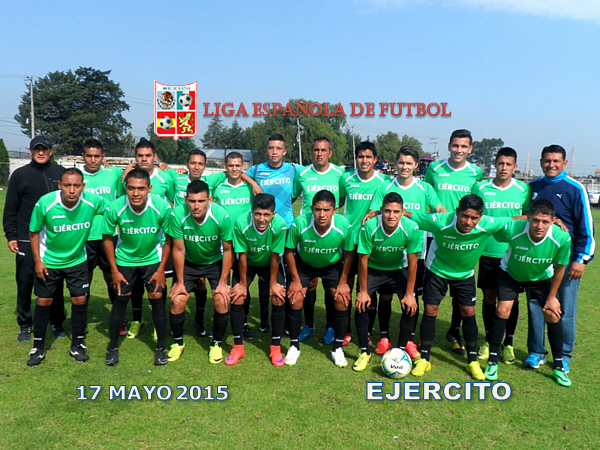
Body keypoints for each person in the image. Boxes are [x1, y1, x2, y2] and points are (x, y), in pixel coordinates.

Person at [407, 194, 511, 380]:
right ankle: (425, 358)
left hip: (464, 274)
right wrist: (380, 212)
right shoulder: (440, 221)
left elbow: (515, 219)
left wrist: (553, 221)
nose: (468, 222)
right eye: (465, 216)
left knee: (468, 312)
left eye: (474, 218)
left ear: (481, 217)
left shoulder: (487, 224)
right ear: (457, 212)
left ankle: (472, 361)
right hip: (437, 270)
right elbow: (411, 215)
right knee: (431, 310)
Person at [366, 145, 446, 354]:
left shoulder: (424, 188)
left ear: (416, 166)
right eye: (401, 162)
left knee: (411, 297)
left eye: (409, 163)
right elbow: (374, 212)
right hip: (388, 251)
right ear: (396, 163)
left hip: (415, 252)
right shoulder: (385, 186)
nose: (404, 166)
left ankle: (408, 339)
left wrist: (444, 218)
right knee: (385, 296)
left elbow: (439, 209)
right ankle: (384, 337)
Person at [484, 200, 572, 386]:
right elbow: (495, 225)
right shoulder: (514, 229)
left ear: (553, 221)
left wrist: (552, 297)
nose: (540, 226)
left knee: (552, 313)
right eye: (536, 220)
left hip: (541, 277)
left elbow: (560, 268)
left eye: (545, 222)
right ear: (528, 218)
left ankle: (558, 366)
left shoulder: (562, 237)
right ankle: (492, 361)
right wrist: (519, 218)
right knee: (503, 310)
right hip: (510, 273)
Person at [27, 168, 108, 365]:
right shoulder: (45, 203)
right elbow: (33, 232)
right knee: (44, 301)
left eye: (76, 186)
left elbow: (115, 210)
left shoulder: (92, 201)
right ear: (60, 186)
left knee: (80, 300)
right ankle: (38, 347)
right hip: (49, 261)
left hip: (77, 260)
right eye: (67, 185)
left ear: (83, 187)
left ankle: (77, 344)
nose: (72, 190)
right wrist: (38, 261)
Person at [526, 145, 595, 373]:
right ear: (541, 162)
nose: (551, 165)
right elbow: (526, 219)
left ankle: (563, 355)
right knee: (535, 306)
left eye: (556, 161)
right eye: (547, 160)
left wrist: (581, 259)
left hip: (567, 261)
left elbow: (586, 227)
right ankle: (536, 352)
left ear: (564, 163)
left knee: (564, 308)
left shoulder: (575, 188)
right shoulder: (533, 187)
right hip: (537, 259)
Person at [102, 168, 173, 366]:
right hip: (125, 260)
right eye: (131, 188)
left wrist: (161, 269)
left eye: (141, 188)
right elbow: (107, 238)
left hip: (152, 259)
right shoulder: (115, 207)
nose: (135, 193)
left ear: (149, 188)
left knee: (157, 299)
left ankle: (161, 347)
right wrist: (114, 270)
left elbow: (169, 238)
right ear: (125, 188)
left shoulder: (161, 207)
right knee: (120, 300)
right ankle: (112, 347)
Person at [424, 129, 482, 355]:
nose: (459, 150)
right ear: (449, 146)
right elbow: (428, 194)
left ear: (470, 149)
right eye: (455, 145)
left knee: (461, 287)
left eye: (463, 146)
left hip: (463, 236)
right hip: (438, 234)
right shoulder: (434, 168)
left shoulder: (475, 172)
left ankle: (455, 332)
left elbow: (476, 203)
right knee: (432, 287)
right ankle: (423, 338)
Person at [3, 136, 66, 342]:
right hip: (26, 237)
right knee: (25, 281)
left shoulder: (60, 173)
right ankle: (24, 323)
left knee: (55, 281)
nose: (41, 152)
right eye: (36, 149)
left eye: (44, 149)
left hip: (55, 238)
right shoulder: (20, 175)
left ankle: (57, 321)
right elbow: (10, 208)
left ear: (50, 151)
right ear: (30, 151)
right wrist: (11, 235)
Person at [472, 147, 530, 366]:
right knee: (489, 297)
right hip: (487, 250)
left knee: (511, 300)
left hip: (513, 252)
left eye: (508, 164)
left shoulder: (523, 189)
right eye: (501, 163)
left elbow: (529, 216)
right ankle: (488, 341)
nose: (504, 168)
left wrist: (506, 219)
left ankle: (509, 343)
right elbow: (475, 215)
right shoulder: (481, 188)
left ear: (515, 167)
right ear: (495, 165)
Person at [284, 190, 354, 367]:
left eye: (326, 210)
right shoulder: (300, 223)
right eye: (318, 209)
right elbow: (289, 251)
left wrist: (343, 282)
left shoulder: (343, 225)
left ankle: (337, 348)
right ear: (312, 209)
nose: (322, 214)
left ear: (335, 210)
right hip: (305, 264)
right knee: (295, 298)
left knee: (342, 300)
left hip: (332, 265)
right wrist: (295, 280)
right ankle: (294, 346)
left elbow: (349, 253)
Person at [168, 180, 234, 364]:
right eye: (192, 201)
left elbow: (228, 250)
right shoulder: (177, 214)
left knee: (222, 299)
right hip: (189, 262)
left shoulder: (221, 215)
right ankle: (178, 343)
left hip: (214, 262)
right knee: (178, 299)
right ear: (185, 200)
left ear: (209, 200)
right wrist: (179, 282)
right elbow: (178, 249)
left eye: (201, 201)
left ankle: (216, 344)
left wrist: (223, 282)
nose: (196, 206)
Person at [354, 192, 421, 371]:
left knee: (411, 304)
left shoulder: (412, 228)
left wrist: (409, 294)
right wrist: (363, 291)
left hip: (399, 269)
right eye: (388, 211)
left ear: (403, 212)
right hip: (374, 268)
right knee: (361, 303)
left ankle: (401, 350)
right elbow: (362, 260)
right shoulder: (369, 226)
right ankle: (364, 352)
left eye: (396, 212)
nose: (392, 216)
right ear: (381, 210)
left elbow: (413, 262)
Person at [292, 136, 345, 344]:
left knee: (332, 287)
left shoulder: (340, 174)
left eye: (323, 150)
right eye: (316, 150)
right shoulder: (302, 174)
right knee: (311, 283)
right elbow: (292, 197)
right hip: (308, 234)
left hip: (331, 234)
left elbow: (342, 198)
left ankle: (330, 326)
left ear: (330, 153)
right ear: (311, 152)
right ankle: (309, 324)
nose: (319, 153)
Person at [338, 141, 389, 347]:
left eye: (368, 157)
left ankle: (366, 331)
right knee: (346, 287)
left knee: (368, 289)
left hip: (372, 241)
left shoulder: (384, 181)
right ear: (356, 158)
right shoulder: (346, 179)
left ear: (375, 159)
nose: (364, 160)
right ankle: (346, 330)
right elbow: (339, 202)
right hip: (350, 241)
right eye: (361, 156)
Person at [125, 138, 175, 340]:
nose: (144, 159)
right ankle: (136, 319)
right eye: (140, 155)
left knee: (159, 283)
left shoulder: (166, 177)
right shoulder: (129, 178)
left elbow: (174, 201)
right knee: (136, 284)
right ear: (135, 157)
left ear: (155, 157)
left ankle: (158, 322)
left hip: (160, 243)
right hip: (135, 241)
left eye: (148, 155)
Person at [231, 194, 288, 366]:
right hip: (247, 262)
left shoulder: (280, 225)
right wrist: (242, 284)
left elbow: (275, 255)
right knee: (237, 296)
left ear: (273, 214)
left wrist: (273, 283)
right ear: (252, 212)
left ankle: (275, 347)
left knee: (278, 297)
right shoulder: (241, 223)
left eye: (266, 215)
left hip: (269, 263)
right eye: (257, 214)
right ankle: (238, 347)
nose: (261, 219)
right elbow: (242, 254)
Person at [80, 139, 126, 333]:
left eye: (97, 156)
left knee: (112, 278)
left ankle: (119, 320)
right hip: (84, 237)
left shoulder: (113, 174)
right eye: (89, 156)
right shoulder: (76, 176)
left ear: (103, 157)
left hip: (108, 235)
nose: (93, 160)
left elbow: (132, 175)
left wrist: (162, 166)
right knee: (84, 281)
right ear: (83, 156)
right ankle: (81, 321)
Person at [213, 151, 255, 338]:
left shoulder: (250, 188)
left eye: (238, 165)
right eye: (231, 165)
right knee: (220, 285)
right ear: (225, 167)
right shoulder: (218, 187)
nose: (234, 168)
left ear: (243, 167)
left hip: (242, 245)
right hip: (221, 244)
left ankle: (243, 323)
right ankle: (218, 322)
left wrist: (251, 181)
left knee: (241, 285)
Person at [246, 134, 299, 228]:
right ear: (266, 151)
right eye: (271, 148)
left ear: (284, 152)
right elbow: (239, 174)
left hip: (287, 224)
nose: (274, 152)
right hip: (263, 224)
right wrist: (253, 183)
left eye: (278, 148)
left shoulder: (293, 168)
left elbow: (312, 171)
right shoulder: (257, 169)